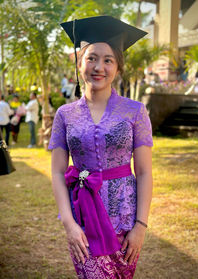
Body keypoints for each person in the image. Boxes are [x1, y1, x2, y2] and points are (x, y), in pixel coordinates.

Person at [49, 16, 153, 278]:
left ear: (117, 67)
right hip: (83, 219)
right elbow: (58, 172)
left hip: (125, 219)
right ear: (79, 62)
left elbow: (144, 172)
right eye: (92, 58)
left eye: (108, 60)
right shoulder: (65, 115)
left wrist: (140, 226)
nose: (99, 67)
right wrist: (69, 225)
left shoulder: (136, 112)